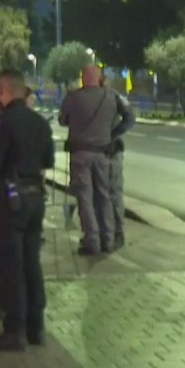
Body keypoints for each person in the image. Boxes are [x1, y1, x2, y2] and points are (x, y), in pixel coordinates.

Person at [0, 69, 55, 351]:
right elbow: (48, 159)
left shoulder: (0, 124)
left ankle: (15, 330)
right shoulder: (39, 122)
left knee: (10, 266)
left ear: (2, 90)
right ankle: (37, 327)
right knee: (31, 262)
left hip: (9, 200)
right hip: (35, 197)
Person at [59, 65, 132, 255]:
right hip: (104, 154)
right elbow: (129, 117)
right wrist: (111, 135)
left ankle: (92, 240)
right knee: (104, 196)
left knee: (85, 197)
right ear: (100, 78)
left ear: (83, 77)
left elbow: (63, 120)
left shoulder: (73, 97)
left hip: (80, 154)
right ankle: (108, 239)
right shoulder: (112, 96)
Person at [97, 74, 136, 250]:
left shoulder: (114, 97)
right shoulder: (86, 98)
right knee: (97, 196)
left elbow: (130, 118)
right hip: (95, 153)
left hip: (111, 152)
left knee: (112, 194)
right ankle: (102, 234)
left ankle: (117, 233)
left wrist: (112, 136)